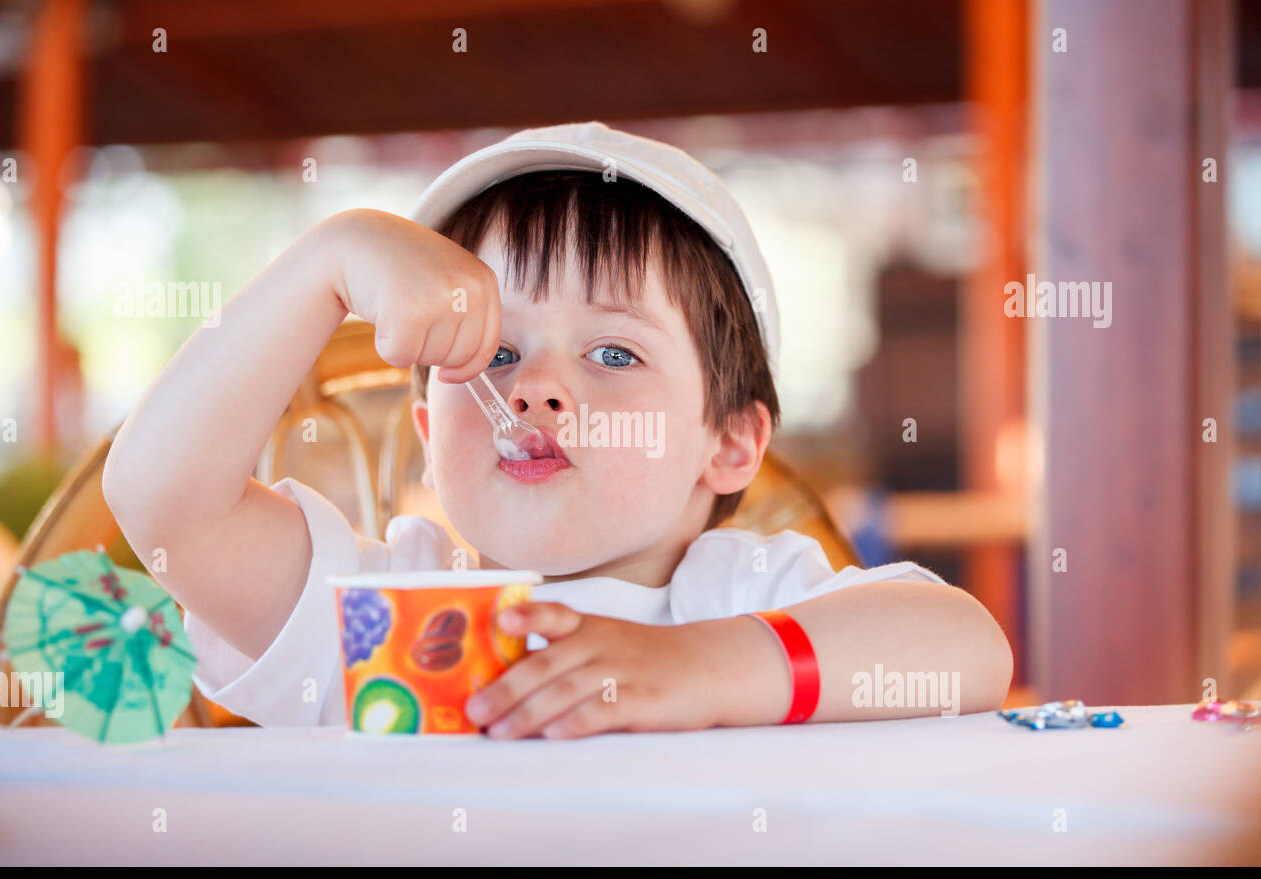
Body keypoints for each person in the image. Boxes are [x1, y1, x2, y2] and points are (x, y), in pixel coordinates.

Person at [103, 121, 1011, 737]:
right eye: (494, 354)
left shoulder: (740, 596)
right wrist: (327, 263)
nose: (534, 389)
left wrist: (698, 668)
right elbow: (163, 508)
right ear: (428, 429)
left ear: (728, 443)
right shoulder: (384, 611)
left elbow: (970, 650)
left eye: (613, 355)